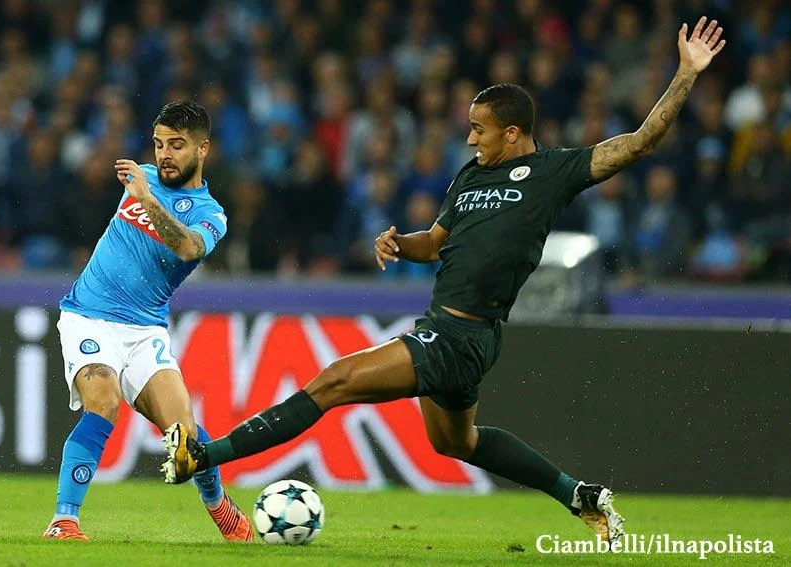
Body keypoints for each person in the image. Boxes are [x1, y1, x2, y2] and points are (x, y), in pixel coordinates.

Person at [160, 18, 726, 543]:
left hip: (461, 335)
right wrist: (399, 242)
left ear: (512, 132)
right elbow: (434, 241)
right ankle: (578, 495)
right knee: (456, 442)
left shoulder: (554, 172)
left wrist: (684, 74)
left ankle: (202, 457)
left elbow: (640, 141)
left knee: (333, 381)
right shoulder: (470, 175)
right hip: (450, 331)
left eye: (479, 130)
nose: (471, 139)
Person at [43, 100, 253, 542]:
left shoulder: (209, 213)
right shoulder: (144, 176)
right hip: (89, 316)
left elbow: (190, 249)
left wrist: (148, 200)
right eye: (159, 144)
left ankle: (218, 504)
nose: (164, 155)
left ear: (203, 149)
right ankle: (64, 520)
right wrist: (144, 190)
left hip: (145, 331)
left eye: (177, 145)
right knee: (103, 397)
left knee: (185, 440)